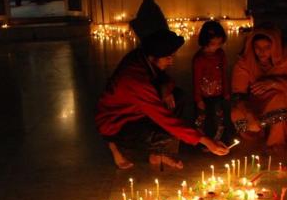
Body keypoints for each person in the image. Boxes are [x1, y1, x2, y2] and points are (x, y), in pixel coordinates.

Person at [96, 29, 230, 169]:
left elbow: (165, 79)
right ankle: (115, 145)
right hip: (117, 122)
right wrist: (206, 141)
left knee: (177, 97)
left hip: (137, 110)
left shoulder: (142, 57)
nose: (171, 61)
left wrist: (165, 89)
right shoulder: (136, 81)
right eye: (168, 57)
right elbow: (165, 119)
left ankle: (158, 154)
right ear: (153, 57)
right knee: (167, 135)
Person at [231, 25, 287, 153]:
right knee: (236, 114)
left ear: (275, 46)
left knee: (280, 98)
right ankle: (256, 135)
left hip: (277, 104)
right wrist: (249, 115)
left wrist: (274, 83)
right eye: (257, 47)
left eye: (267, 47)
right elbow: (238, 94)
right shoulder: (245, 62)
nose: (262, 52)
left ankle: (275, 141)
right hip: (253, 106)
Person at [193, 21, 230, 144]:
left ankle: (218, 140)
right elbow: (196, 79)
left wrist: (226, 92)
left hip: (218, 95)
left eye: (219, 43)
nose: (216, 46)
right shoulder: (199, 59)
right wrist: (198, 99)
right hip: (204, 96)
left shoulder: (220, 54)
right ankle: (203, 141)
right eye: (213, 44)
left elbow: (224, 73)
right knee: (203, 118)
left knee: (218, 118)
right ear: (205, 41)